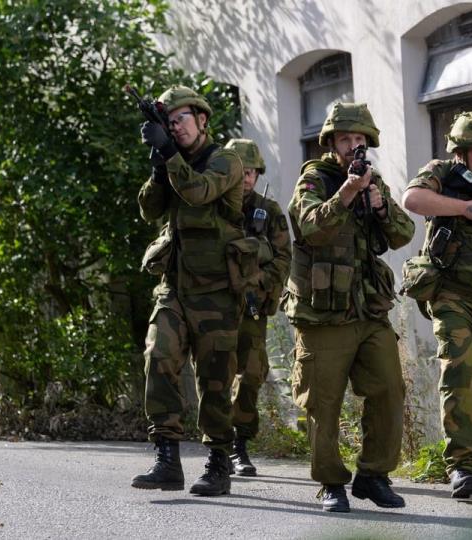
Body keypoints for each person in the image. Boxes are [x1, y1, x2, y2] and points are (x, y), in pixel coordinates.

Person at [283, 102, 415, 512]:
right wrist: (347, 193)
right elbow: (309, 226)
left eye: (359, 139)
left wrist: (379, 204)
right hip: (323, 314)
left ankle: (374, 475)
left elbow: (403, 234)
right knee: (323, 403)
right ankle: (331, 482)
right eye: (345, 139)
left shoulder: (374, 182)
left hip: (368, 309)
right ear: (331, 143)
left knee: (389, 389)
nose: (353, 145)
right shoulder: (315, 179)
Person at [130, 85, 249, 497]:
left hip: (216, 290)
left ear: (201, 119)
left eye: (181, 118)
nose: (176, 127)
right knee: (158, 356)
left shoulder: (226, 160)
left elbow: (198, 192)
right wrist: (158, 167)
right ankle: (167, 459)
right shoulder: (171, 159)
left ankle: (218, 462)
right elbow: (149, 210)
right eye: (169, 122)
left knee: (214, 380)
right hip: (175, 286)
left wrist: (170, 155)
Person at [400, 111, 472, 499]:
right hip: (451, 296)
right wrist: (464, 208)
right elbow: (412, 199)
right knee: (459, 377)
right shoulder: (442, 172)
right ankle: (461, 466)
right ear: (459, 151)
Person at [223, 138, 292, 476]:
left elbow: (284, 257)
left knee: (251, 373)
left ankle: (239, 442)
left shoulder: (269, 211)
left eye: (251, 172)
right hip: (215, 305)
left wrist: (259, 282)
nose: (246, 178)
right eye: (240, 171)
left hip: (251, 305)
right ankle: (217, 444)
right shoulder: (213, 206)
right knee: (215, 374)